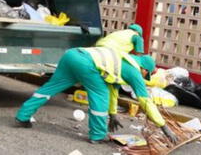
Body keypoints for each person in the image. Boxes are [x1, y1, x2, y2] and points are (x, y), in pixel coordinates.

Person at [15, 47, 178, 144]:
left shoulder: (123, 59)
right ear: (144, 69)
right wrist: (163, 126)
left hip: (71, 55)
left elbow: (113, 89)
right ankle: (97, 135)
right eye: (145, 75)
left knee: (49, 88)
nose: (143, 78)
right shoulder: (134, 71)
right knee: (100, 95)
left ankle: (23, 116)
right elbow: (146, 101)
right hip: (85, 63)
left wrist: (113, 114)